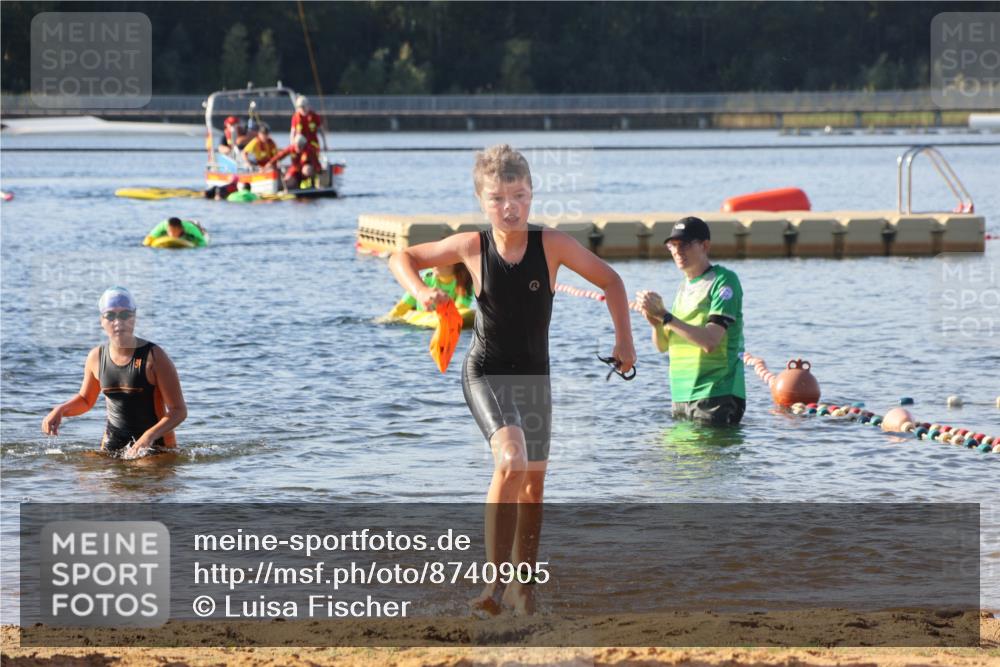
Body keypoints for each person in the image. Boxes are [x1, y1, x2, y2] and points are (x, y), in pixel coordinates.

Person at [388, 144, 635, 616]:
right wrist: (423, 292)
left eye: (519, 195)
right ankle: (492, 588)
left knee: (534, 487)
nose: (511, 207)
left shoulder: (553, 245)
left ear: (532, 194)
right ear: (483, 201)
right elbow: (402, 257)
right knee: (511, 458)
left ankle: (525, 588)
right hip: (486, 371)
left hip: (535, 377)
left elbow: (612, 282)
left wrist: (625, 341)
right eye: (499, 198)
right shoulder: (471, 247)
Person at [41, 287, 188, 459]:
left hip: (156, 447)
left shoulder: (154, 356)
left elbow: (178, 411)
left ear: (134, 318)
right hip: (112, 445)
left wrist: (148, 437)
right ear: (101, 320)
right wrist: (61, 410)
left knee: (144, 474)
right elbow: (86, 400)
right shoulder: (96, 357)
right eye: (110, 316)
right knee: (71, 470)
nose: (118, 322)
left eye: (125, 315)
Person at [636, 216, 746, 426]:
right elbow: (663, 345)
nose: (677, 251)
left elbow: (710, 341)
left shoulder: (723, 280)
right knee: (682, 459)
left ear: (705, 246)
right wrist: (656, 323)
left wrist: (665, 316)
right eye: (673, 245)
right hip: (681, 395)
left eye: (685, 244)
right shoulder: (683, 288)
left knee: (709, 458)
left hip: (715, 394)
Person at [386, 264, 474, 319]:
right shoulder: (428, 277)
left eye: (437, 261)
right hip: (422, 317)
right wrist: (389, 318)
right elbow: (407, 302)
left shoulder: (465, 282)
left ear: (451, 264)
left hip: (444, 317)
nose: (432, 264)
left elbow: (460, 309)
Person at [143, 217, 208, 247]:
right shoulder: (162, 226)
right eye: (170, 231)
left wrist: (197, 245)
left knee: (200, 230)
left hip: (192, 225)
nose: (172, 234)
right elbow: (150, 237)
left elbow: (202, 241)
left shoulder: (190, 228)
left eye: (174, 231)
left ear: (181, 229)